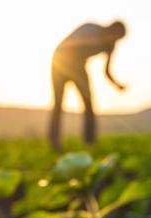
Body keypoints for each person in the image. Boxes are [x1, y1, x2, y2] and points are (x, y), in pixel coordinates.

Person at [49, 21, 127, 149]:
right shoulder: (91, 29)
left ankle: (90, 141)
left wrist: (117, 85)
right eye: (115, 35)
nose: (115, 39)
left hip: (79, 66)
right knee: (58, 102)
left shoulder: (110, 45)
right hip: (60, 61)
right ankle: (54, 141)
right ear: (111, 29)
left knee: (88, 102)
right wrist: (76, 72)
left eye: (118, 38)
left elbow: (106, 71)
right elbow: (71, 48)